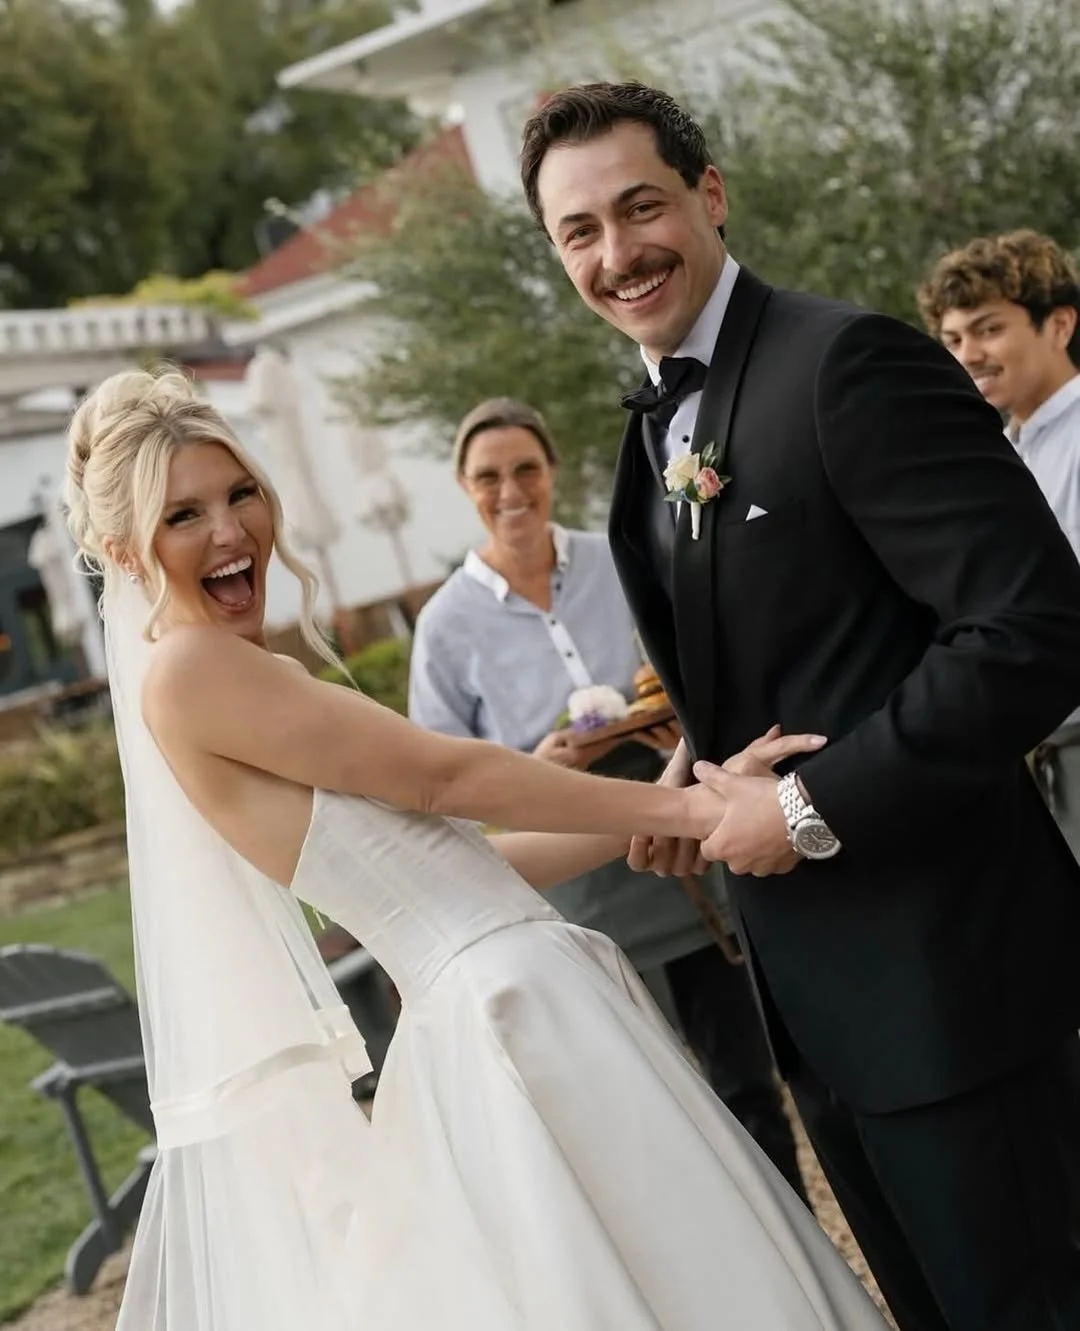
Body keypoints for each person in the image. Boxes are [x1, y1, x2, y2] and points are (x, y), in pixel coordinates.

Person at [66, 366, 885, 1331]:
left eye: (240, 492)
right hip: (503, 997)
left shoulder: (216, 671)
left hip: (494, 982)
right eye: (185, 516)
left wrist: (658, 804)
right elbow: (444, 778)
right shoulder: (196, 667)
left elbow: (462, 862)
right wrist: (707, 817)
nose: (232, 531)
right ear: (124, 551)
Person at [520, 82, 1080, 1331]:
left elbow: (1035, 627)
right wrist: (692, 786)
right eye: (580, 232)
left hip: (956, 993)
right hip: (819, 1009)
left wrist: (806, 806)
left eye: (643, 206)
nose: (619, 254)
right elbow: (769, 672)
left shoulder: (848, 362)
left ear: (710, 194)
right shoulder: (654, 425)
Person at [409, 394, 807, 1201]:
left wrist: (680, 730)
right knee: (636, 1108)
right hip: (571, 898)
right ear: (462, 485)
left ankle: (793, 1260)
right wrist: (537, 762)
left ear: (552, 471)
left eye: (526, 468)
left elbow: (698, 672)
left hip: (684, 869)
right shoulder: (444, 626)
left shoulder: (620, 555)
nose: (510, 489)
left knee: (746, 1082)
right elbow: (436, 787)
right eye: (489, 476)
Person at [917, 229, 1080, 858]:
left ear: (1059, 325)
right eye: (952, 340)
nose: (968, 355)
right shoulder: (1002, 453)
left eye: (988, 330)